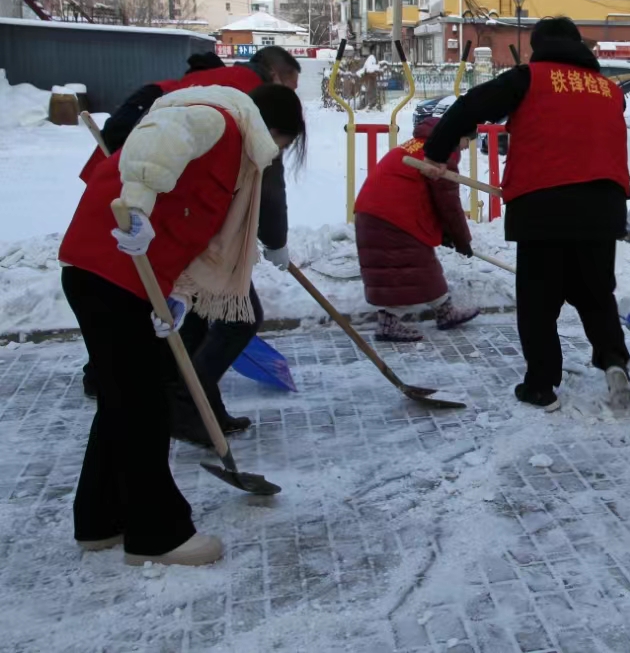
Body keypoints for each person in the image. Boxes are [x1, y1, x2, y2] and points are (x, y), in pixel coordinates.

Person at [59, 83, 305, 567]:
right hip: (109, 270)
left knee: (122, 400)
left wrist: (172, 291)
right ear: (275, 131)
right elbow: (157, 141)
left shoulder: (232, 148)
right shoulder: (220, 120)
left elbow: (190, 221)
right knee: (143, 407)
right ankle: (157, 533)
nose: (275, 156)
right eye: (282, 144)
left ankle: (100, 519)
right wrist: (137, 206)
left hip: (123, 279)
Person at [420, 16, 630, 412]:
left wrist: (436, 153)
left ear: (538, 47)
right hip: (603, 206)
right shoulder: (610, 90)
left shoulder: (528, 78)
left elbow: (470, 107)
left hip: (543, 205)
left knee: (539, 302)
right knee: (596, 293)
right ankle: (614, 361)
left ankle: (541, 385)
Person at [79, 47, 303, 403]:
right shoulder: (245, 107)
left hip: (134, 195)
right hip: (138, 200)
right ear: (276, 74)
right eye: (292, 86)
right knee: (228, 317)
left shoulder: (209, 86)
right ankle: (184, 400)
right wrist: (275, 240)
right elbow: (267, 190)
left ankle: (169, 391)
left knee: (171, 319)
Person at [354, 116, 480, 340]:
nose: (465, 146)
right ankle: (389, 322)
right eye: (467, 140)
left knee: (422, 264)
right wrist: (462, 240)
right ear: (457, 136)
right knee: (405, 270)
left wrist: (447, 234)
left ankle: (445, 311)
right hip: (391, 216)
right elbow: (448, 204)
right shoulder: (439, 155)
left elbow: (428, 197)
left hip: (377, 211)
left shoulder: (420, 146)